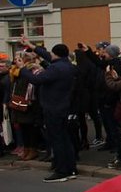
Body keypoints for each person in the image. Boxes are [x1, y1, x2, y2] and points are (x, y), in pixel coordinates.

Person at [17, 39, 78, 182]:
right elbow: (47, 56)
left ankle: (62, 171)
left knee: (57, 140)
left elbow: (36, 80)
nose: (49, 54)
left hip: (53, 108)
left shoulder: (56, 68)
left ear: (56, 54)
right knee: (65, 139)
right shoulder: (66, 65)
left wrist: (22, 69)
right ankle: (71, 168)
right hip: (62, 107)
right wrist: (32, 45)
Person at [9, 51, 44, 162]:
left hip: (29, 103)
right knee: (22, 128)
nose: (15, 61)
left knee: (30, 128)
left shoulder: (31, 70)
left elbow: (31, 84)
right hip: (18, 102)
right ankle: (26, 148)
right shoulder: (16, 71)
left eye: (18, 58)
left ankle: (32, 149)